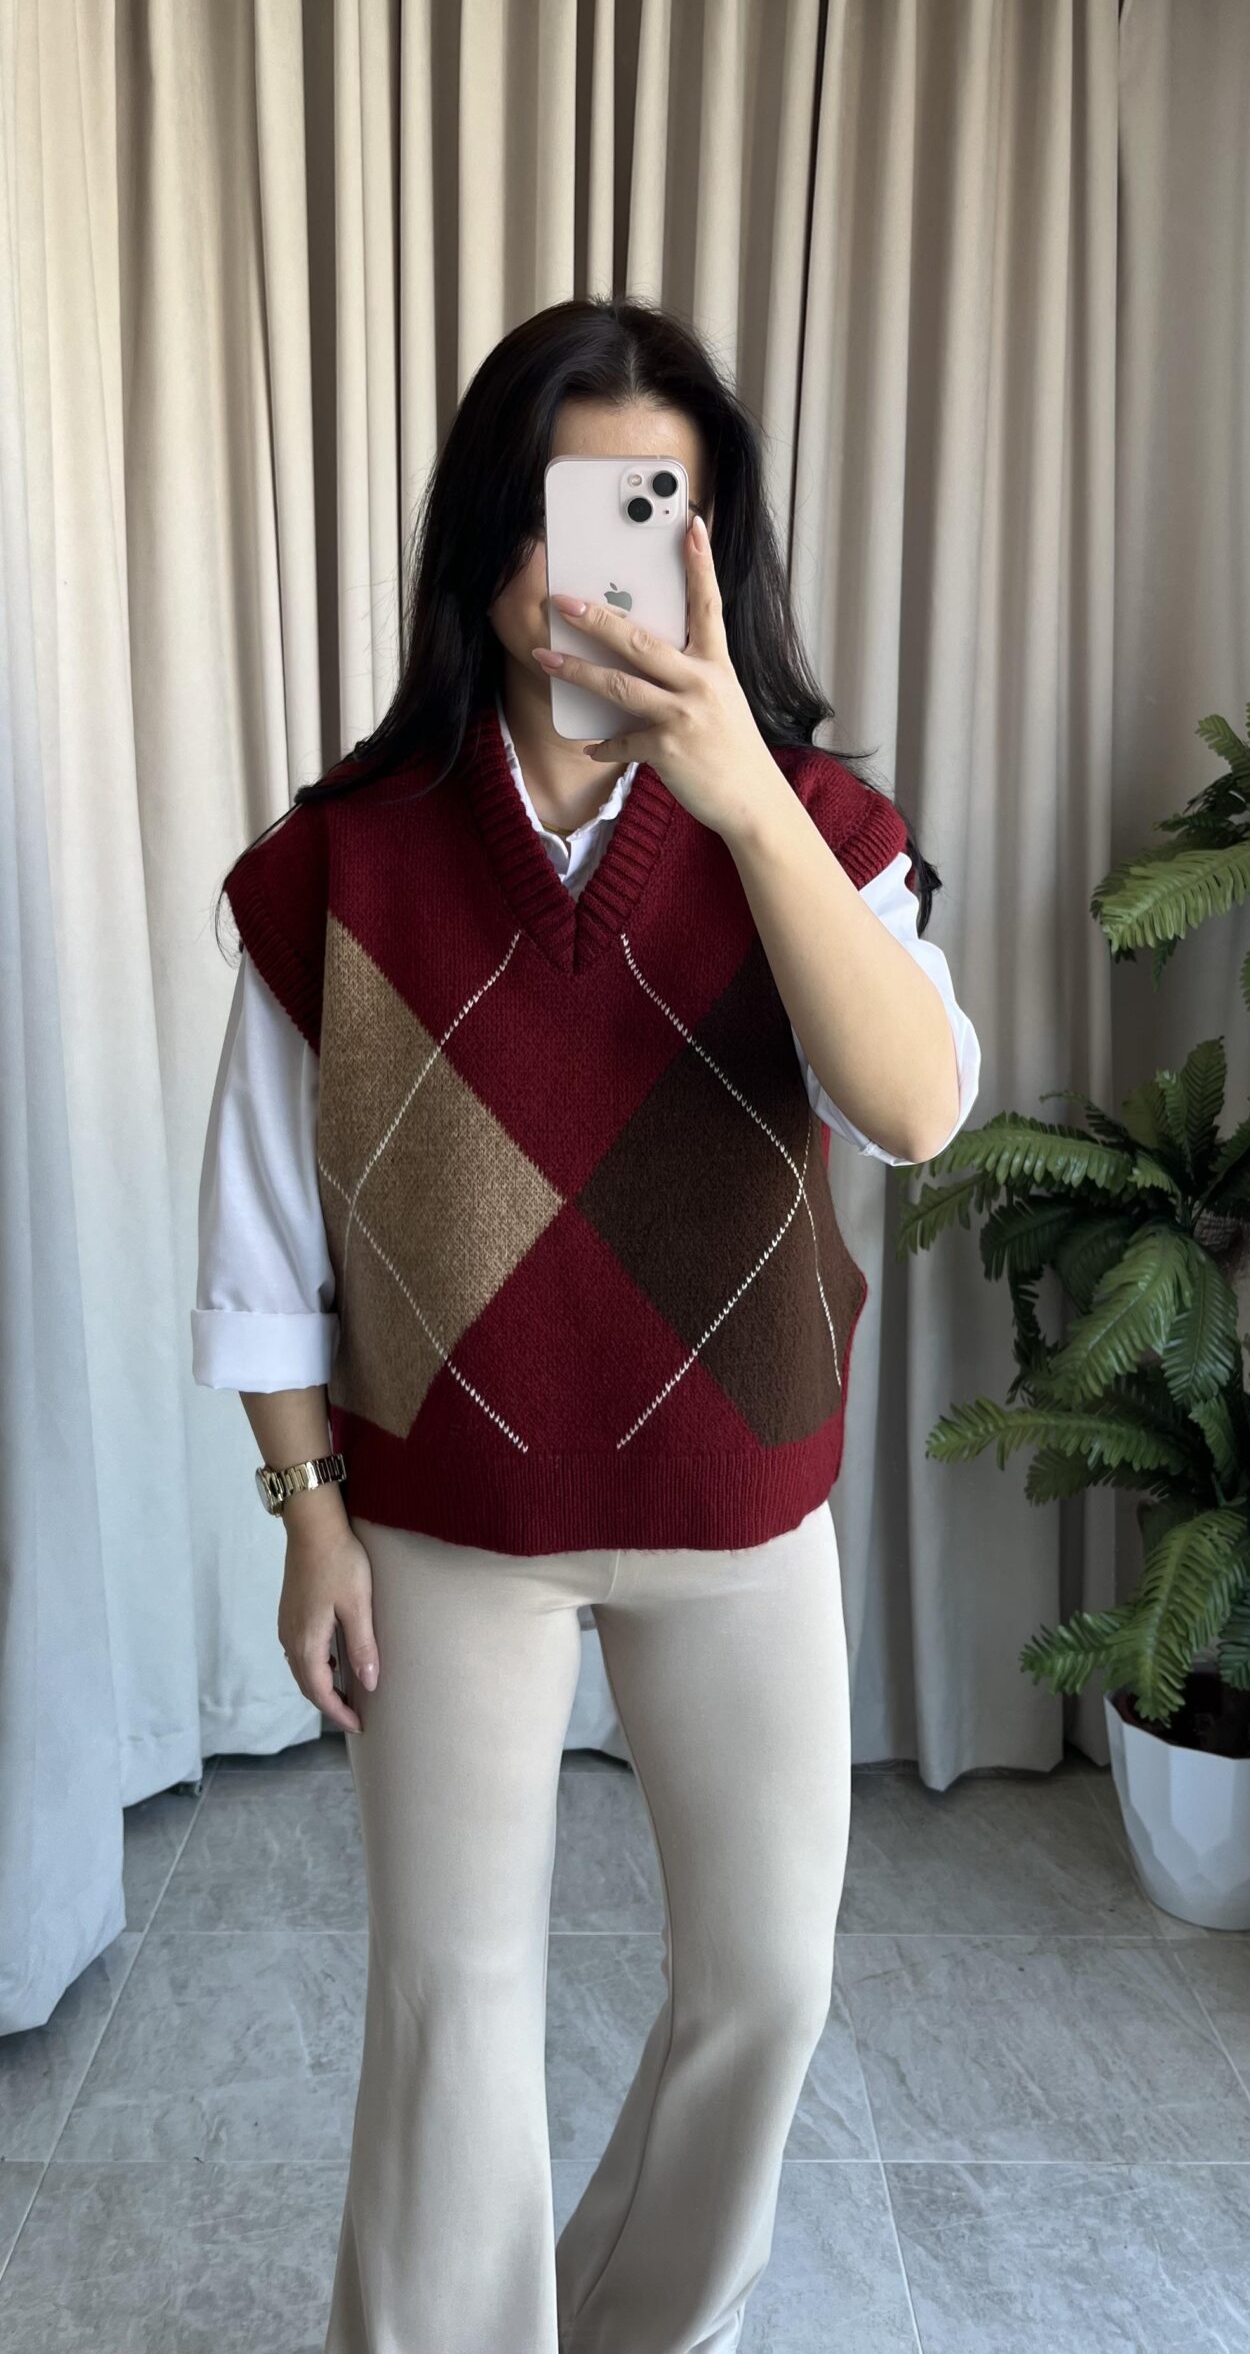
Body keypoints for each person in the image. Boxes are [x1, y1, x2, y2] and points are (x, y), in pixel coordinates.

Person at [192, 293, 981, 2354]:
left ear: (716, 551)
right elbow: (266, 1231)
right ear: (490, 541)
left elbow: (913, 1106)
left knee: (769, 1984)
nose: (606, 567)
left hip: (738, 1500)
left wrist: (749, 799)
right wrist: (306, 1514)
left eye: (660, 513)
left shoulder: (814, 832)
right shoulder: (340, 866)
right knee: (452, 2017)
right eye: (569, 512)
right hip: (450, 1520)